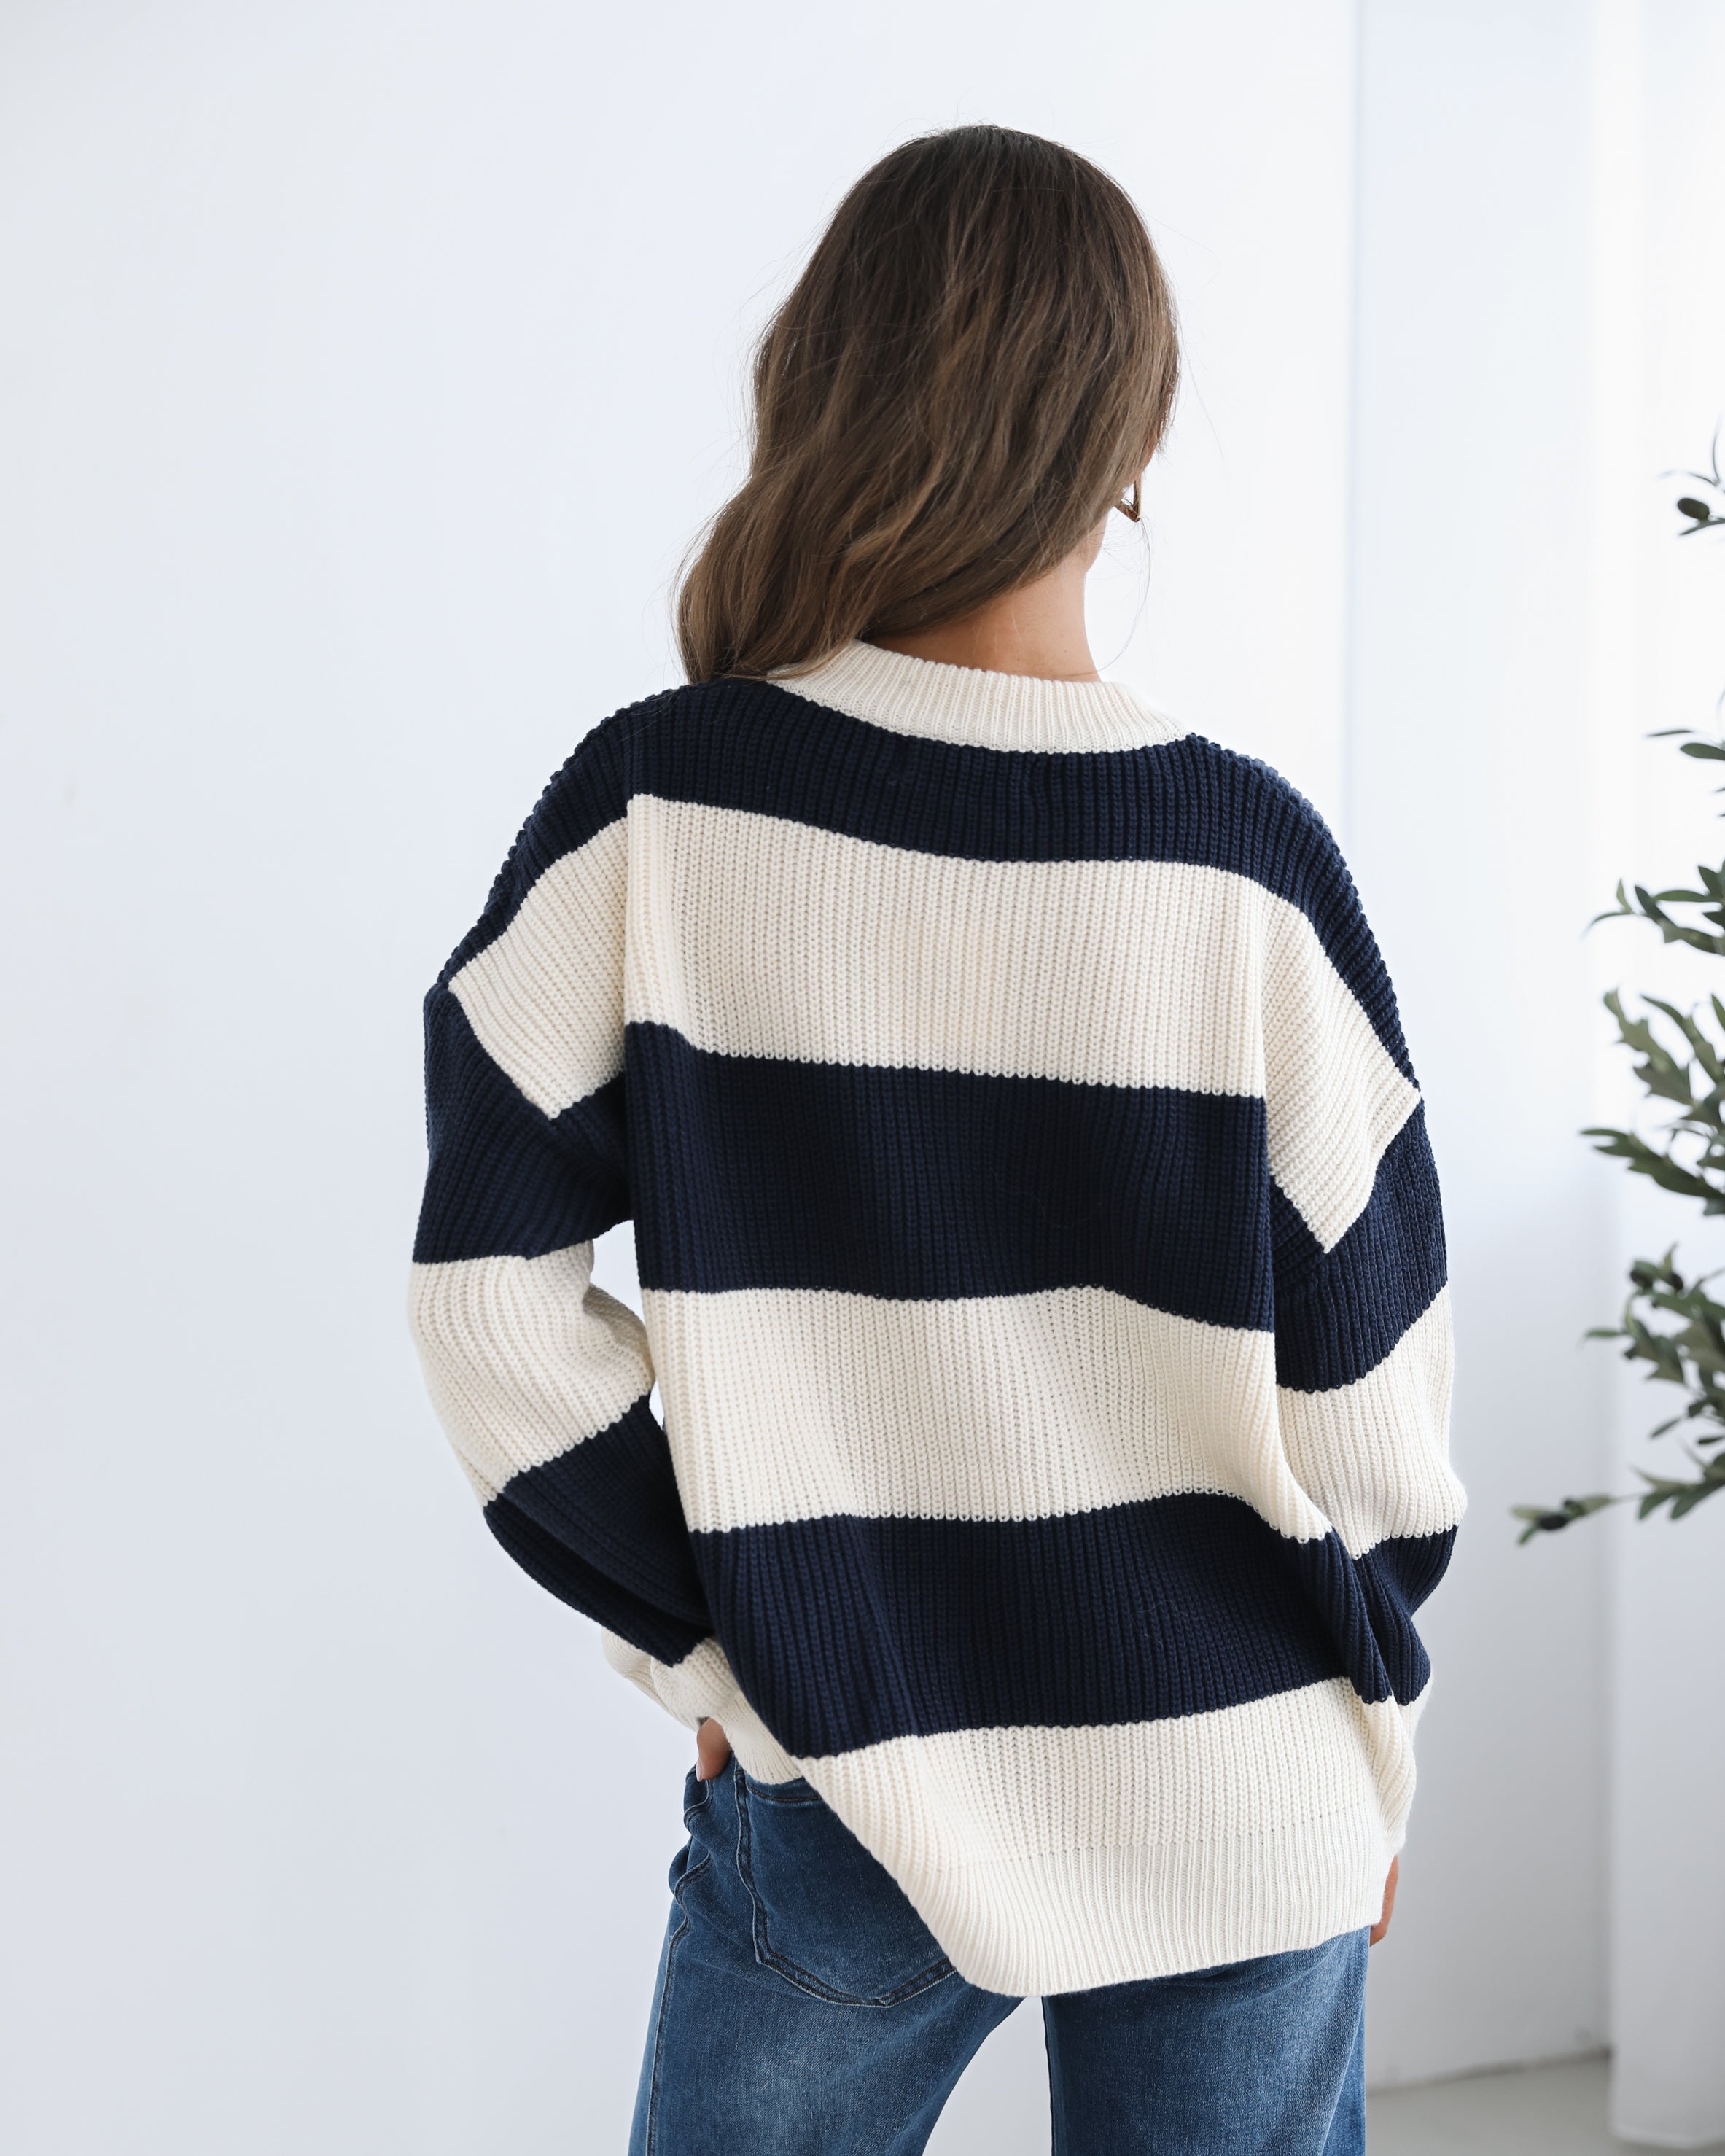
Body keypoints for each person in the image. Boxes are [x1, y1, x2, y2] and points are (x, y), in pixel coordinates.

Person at [406, 123, 1464, 2156]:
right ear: (1128, 448)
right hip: (1242, 1790)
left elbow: (486, 1306)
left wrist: (731, 1645)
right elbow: (1377, 1418)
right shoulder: (1250, 870)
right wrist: (1371, 1738)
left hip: (851, 1780)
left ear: (824, 386)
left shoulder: (662, 811)